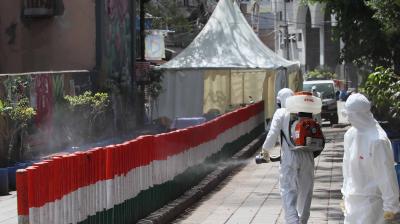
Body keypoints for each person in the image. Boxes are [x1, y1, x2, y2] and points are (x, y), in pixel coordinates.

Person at [341, 93, 400, 223]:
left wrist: (391, 207)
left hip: (372, 205)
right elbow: (347, 169)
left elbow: (386, 176)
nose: (348, 119)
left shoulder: (377, 140)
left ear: (359, 115)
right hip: (352, 203)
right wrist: (345, 194)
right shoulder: (350, 135)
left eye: (350, 115)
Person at [259, 88, 315, 224]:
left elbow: (272, 135)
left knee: (288, 191)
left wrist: (265, 152)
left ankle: (292, 221)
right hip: (308, 156)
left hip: (290, 157)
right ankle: (302, 221)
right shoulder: (307, 111)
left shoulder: (281, 112)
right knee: (305, 192)